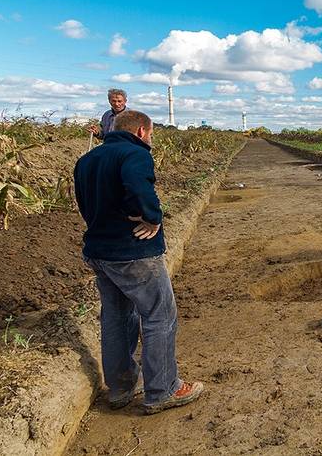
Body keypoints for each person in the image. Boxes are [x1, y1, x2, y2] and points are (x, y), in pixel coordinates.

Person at [74, 110, 204, 415]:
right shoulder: (135, 154)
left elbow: (84, 203)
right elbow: (138, 186)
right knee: (160, 316)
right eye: (151, 134)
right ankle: (163, 389)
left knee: (116, 317)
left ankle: (120, 388)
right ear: (141, 132)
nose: (151, 139)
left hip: (100, 251)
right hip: (133, 251)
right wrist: (153, 217)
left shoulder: (88, 159)